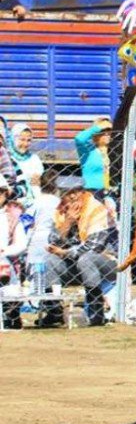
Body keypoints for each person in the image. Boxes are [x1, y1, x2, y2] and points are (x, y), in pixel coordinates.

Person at [43, 187, 117, 327]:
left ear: (76, 196)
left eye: (66, 200)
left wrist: (65, 253)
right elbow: (52, 243)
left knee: (86, 259)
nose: (64, 207)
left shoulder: (96, 209)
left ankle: (96, 313)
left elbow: (94, 247)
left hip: (107, 263)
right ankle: (54, 311)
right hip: (76, 264)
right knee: (49, 261)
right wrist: (67, 223)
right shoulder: (61, 212)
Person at [0, 185, 28, 329]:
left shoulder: (11, 216)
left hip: (4, 260)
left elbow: (21, 244)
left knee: (4, 263)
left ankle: (11, 312)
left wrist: (4, 251)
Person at [9, 123, 44, 207]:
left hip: (32, 203)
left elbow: (37, 184)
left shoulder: (34, 159)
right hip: (12, 203)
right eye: (22, 139)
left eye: (28, 140)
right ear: (13, 139)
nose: (25, 144)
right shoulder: (6, 159)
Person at [75, 118, 113, 195]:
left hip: (111, 192)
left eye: (109, 131)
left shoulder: (113, 151)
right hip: (92, 192)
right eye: (103, 131)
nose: (107, 134)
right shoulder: (88, 151)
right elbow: (79, 139)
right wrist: (98, 127)